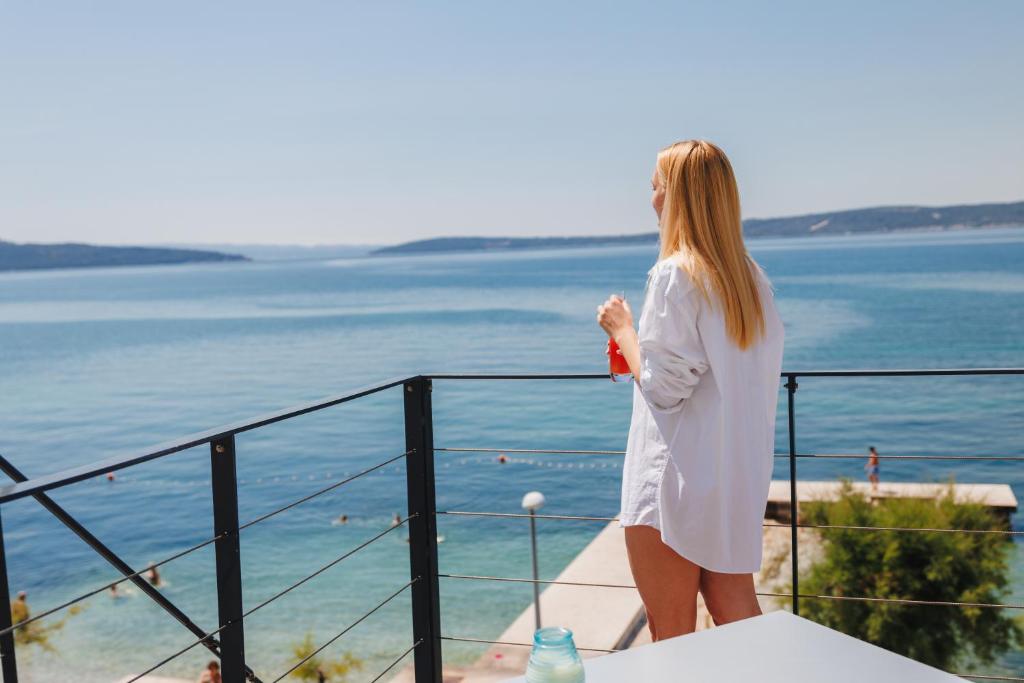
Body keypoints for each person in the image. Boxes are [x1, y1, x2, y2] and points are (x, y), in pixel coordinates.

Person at [597, 140, 785, 641]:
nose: (652, 198)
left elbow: (663, 390)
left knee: (672, 636)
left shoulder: (676, 275)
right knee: (738, 617)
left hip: (671, 482)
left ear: (678, 197)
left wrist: (622, 332)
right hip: (730, 477)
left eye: (656, 187)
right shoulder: (751, 281)